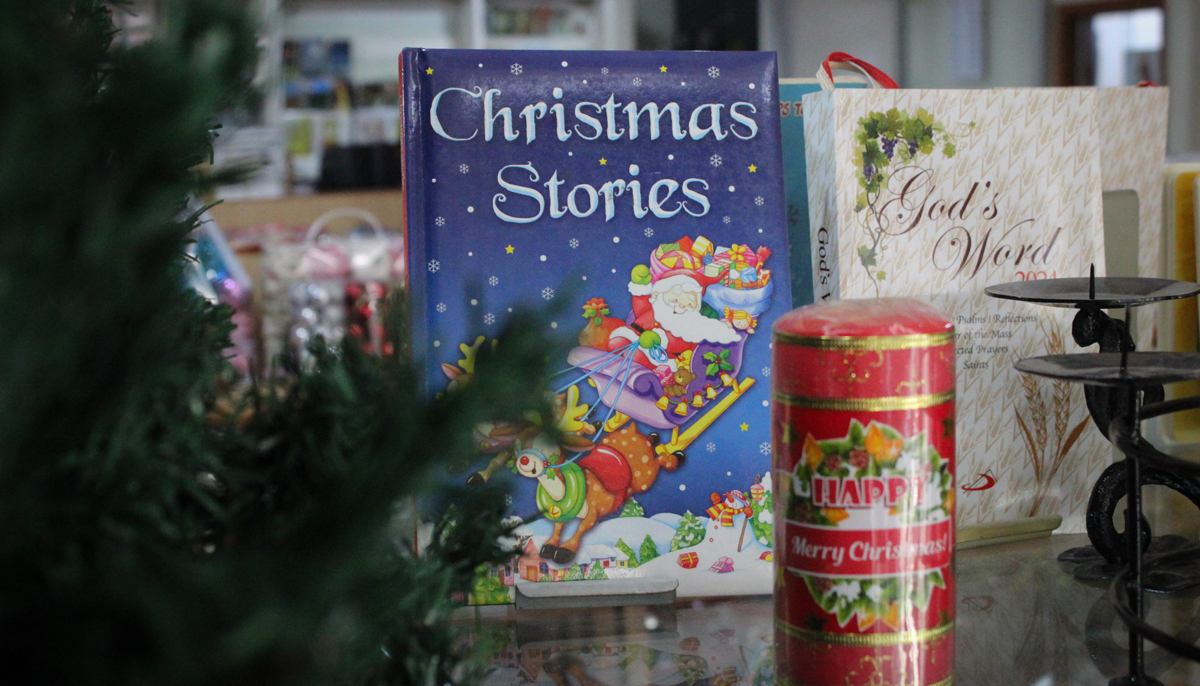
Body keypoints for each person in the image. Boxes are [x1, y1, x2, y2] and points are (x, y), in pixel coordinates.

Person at [607, 265, 739, 371]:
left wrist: (659, 339)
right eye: (676, 298)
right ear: (662, 294)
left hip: (659, 356)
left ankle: (627, 374)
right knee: (616, 343)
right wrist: (640, 283)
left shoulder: (689, 326)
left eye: (689, 302)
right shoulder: (655, 307)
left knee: (636, 357)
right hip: (632, 337)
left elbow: (685, 345)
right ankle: (609, 368)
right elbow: (640, 303)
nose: (682, 304)